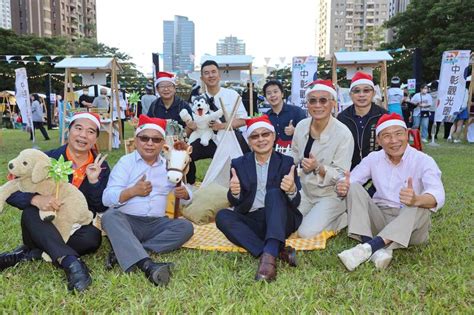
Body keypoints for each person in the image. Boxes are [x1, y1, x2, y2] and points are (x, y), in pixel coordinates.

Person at [2, 112, 111, 292]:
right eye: (78, 128)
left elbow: (100, 206)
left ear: (95, 139)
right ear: (69, 131)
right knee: (30, 212)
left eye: (90, 132)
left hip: (74, 226)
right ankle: (71, 263)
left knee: (93, 237)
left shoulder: (101, 167)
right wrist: (35, 198)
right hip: (41, 222)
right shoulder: (46, 158)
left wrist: (93, 182)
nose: (83, 135)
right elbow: (11, 190)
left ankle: (27, 255)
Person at [336, 113, 445, 271]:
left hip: (410, 227)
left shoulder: (423, 160)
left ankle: (369, 246)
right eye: (386, 136)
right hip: (380, 219)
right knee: (353, 187)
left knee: (419, 205)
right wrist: (342, 186)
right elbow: (351, 181)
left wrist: (416, 199)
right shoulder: (373, 158)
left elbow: (438, 194)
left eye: (398, 134)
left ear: (407, 135)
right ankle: (372, 247)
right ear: (379, 141)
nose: (394, 141)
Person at [101, 114, 194, 286]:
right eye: (145, 138)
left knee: (185, 227)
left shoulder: (169, 165)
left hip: (158, 224)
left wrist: (185, 194)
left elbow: (186, 197)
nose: (150, 143)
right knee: (109, 217)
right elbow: (107, 198)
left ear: (162, 145)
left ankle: (129, 249)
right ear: (136, 141)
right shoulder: (126, 162)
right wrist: (132, 192)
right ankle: (146, 264)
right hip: (129, 222)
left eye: (156, 140)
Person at [215, 115, 302, 282]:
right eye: (255, 136)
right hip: (253, 218)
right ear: (249, 141)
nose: (261, 140)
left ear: (273, 136)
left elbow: (296, 202)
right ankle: (275, 251)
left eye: (265, 134)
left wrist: (292, 190)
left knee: (274, 194)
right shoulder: (238, 164)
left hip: (280, 218)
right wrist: (234, 193)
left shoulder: (287, 162)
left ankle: (268, 259)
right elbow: (235, 202)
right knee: (222, 216)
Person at [292, 80, 354, 239]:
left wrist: (318, 167)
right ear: (307, 104)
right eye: (313, 100)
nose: (317, 105)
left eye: (323, 100)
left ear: (333, 103)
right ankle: (316, 217)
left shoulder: (343, 134)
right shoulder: (301, 126)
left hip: (331, 195)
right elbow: (294, 156)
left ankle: (342, 217)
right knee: (288, 224)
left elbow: (341, 174)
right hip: (306, 192)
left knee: (306, 233)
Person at [186, 60, 249, 185]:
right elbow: (193, 125)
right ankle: (189, 188)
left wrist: (222, 126)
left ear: (219, 75)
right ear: (202, 78)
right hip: (209, 140)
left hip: (230, 138)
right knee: (186, 155)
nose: (211, 75)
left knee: (246, 164)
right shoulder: (199, 99)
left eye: (214, 72)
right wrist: (191, 126)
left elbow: (243, 120)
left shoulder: (232, 94)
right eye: (207, 73)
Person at [337, 72, 387, 170]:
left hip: (379, 171)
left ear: (373, 93)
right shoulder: (342, 118)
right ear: (350, 94)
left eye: (366, 90)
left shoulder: (384, 116)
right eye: (357, 91)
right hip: (349, 170)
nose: (361, 95)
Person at [263, 80, 306, 147]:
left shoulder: (297, 111)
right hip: (274, 155)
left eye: (275, 92)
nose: (272, 95)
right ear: (266, 97)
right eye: (269, 93)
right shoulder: (266, 117)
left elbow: (308, 133)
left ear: (282, 94)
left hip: (295, 152)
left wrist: (295, 131)